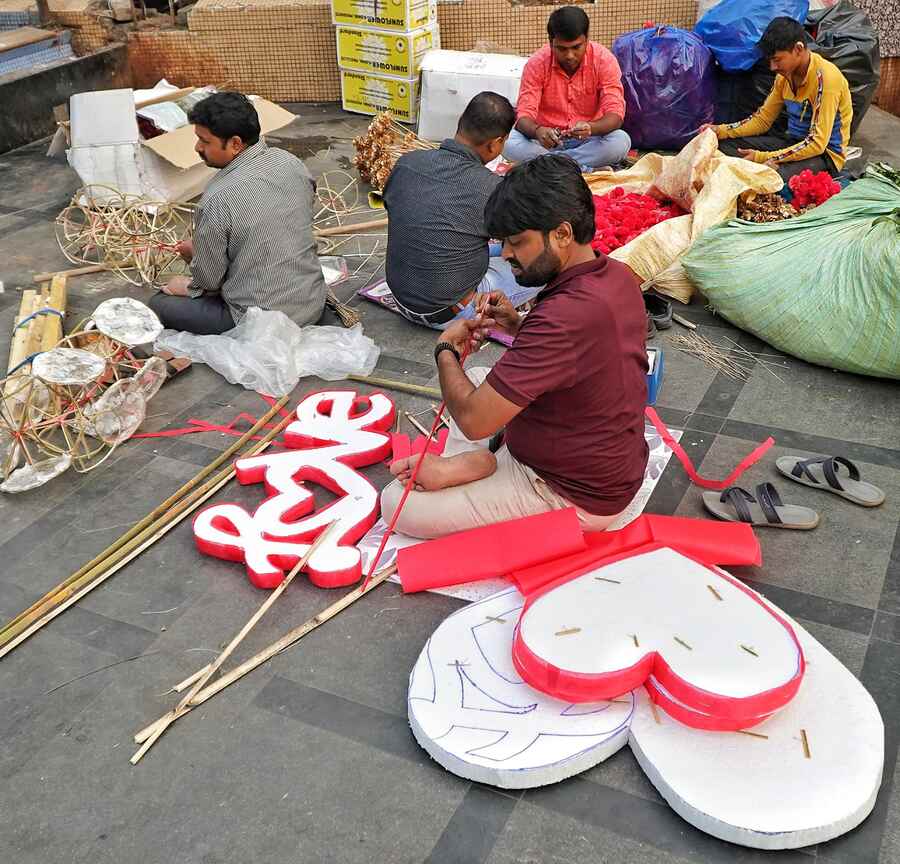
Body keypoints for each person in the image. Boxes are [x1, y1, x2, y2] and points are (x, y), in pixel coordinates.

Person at [381, 155, 649, 538]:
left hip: (572, 493)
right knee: (476, 377)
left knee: (399, 505)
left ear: (561, 234)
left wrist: (444, 351)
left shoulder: (563, 317)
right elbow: (573, 357)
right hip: (602, 457)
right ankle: (478, 462)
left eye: (517, 241)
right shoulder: (616, 275)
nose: (506, 253)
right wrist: (515, 325)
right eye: (503, 242)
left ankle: (478, 462)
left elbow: (475, 422)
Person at [149, 91, 326, 335]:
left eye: (205, 141)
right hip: (311, 304)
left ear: (234, 143)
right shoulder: (292, 163)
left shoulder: (218, 198)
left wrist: (193, 268)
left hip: (260, 322)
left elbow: (210, 282)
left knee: (159, 303)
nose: (197, 147)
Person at [382, 92, 539, 328]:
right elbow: (522, 238)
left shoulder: (407, 163)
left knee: (486, 245)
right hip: (450, 312)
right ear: (495, 143)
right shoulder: (489, 186)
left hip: (402, 300)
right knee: (545, 263)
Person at [704, 17, 853, 182]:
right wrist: (720, 131)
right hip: (791, 143)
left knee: (769, 178)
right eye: (771, 61)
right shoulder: (783, 77)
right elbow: (762, 120)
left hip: (824, 156)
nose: (773, 67)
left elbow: (817, 143)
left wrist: (763, 157)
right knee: (724, 147)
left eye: (777, 60)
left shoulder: (826, 79)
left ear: (798, 49)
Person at [504, 6, 631, 173]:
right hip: (545, 143)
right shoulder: (536, 63)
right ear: (551, 42)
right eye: (562, 49)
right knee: (508, 144)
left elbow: (615, 115)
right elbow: (523, 116)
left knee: (620, 141)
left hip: (588, 141)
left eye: (576, 47)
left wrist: (591, 128)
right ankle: (584, 169)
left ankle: (548, 166)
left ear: (587, 39)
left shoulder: (604, 60)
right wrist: (538, 131)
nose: (570, 55)